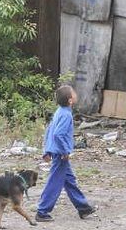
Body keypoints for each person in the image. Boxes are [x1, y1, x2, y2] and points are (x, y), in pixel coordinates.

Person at [35, 85, 96, 222]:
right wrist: (64, 151)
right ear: (70, 100)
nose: (76, 94)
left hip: (56, 151)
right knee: (54, 182)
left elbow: (50, 130)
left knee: (69, 181)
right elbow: (58, 134)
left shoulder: (60, 111)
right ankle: (42, 211)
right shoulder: (66, 115)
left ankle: (83, 207)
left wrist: (47, 150)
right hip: (60, 154)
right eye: (74, 93)